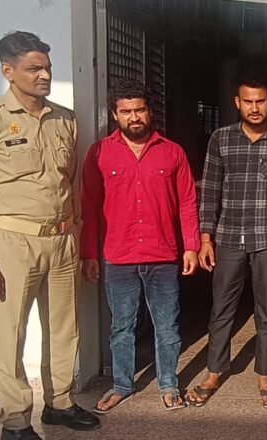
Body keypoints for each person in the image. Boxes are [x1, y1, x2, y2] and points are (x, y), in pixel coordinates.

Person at [0, 31, 100, 440]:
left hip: (61, 238)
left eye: (47, 67)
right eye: (34, 68)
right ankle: (15, 420)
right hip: (12, 240)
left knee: (64, 327)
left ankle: (58, 403)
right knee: (10, 334)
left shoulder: (65, 119)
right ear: (9, 71)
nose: (44, 75)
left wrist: (76, 233)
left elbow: (71, 183)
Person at [80, 78, 200, 413]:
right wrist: (88, 253)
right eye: (126, 111)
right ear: (114, 114)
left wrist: (191, 246)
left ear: (150, 111)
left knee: (167, 326)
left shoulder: (172, 152)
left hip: (162, 256)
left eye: (140, 110)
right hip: (118, 256)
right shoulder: (100, 153)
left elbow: (187, 202)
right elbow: (89, 205)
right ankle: (122, 384)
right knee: (122, 327)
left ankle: (169, 384)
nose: (134, 117)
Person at [188, 69, 267, 408]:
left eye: (260, 101)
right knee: (221, 309)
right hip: (228, 237)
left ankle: (265, 375)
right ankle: (214, 371)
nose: (254, 108)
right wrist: (205, 239)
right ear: (237, 102)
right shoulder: (221, 139)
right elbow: (210, 190)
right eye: (248, 101)